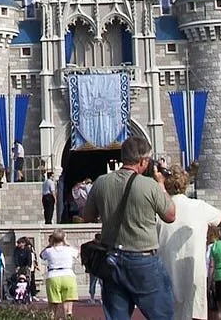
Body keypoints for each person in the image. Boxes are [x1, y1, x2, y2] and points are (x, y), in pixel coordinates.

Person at [81, 135, 178, 320]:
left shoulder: (101, 182)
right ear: (143, 161)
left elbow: (87, 216)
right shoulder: (149, 185)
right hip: (143, 259)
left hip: (111, 259)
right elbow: (170, 215)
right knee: (162, 315)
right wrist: (161, 184)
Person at [157, 168, 221, 320]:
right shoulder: (199, 206)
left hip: (167, 270)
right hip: (194, 269)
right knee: (194, 312)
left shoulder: (160, 211)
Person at [40, 230, 80, 317]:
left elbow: (41, 255)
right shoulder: (69, 249)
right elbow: (77, 254)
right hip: (68, 275)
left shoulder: (49, 251)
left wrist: (50, 244)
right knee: (68, 309)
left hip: (53, 276)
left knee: (53, 308)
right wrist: (66, 242)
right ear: (64, 238)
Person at [206, 224, 221, 320]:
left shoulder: (214, 247)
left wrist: (209, 282)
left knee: (219, 306)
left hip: (219, 275)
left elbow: (212, 265)